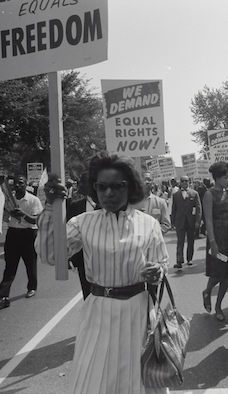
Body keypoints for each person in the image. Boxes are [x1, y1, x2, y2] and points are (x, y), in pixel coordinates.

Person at [36, 152, 169, 394]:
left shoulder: (149, 224)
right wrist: (49, 208)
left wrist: (156, 271)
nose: (109, 193)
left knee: (136, 379)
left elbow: (161, 262)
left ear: (131, 187)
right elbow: (51, 256)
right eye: (101, 186)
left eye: (117, 186)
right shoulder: (82, 223)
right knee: (93, 379)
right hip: (98, 310)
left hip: (137, 311)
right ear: (94, 188)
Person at [202, 162, 228, 322]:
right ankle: (207, 290)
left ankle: (218, 306)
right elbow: (208, 220)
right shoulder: (209, 194)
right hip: (217, 236)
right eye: (225, 177)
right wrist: (212, 242)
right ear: (216, 177)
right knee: (217, 272)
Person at [0, 175, 43, 309]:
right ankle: (3, 296)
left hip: (28, 235)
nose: (18, 186)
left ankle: (32, 287)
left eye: (21, 183)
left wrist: (22, 214)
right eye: (15, 184)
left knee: (30, 264)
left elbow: (36, 220)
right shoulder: (8, 200)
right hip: (13, 234)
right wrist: (7, 213)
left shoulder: (33, 200)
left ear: (26, 184)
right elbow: (5, 219)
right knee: (10, 267)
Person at [66, 173, 99, 299]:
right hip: (83, 259)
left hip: (106, 257)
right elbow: (68, 233)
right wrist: (68, 257)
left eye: (83, 182)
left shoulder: (108, 205)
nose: (79, 185)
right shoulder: (75, 205)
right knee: (88, 296)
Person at [171, 175, 202, 269]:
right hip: (180, 221)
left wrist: (198, 221)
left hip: (191, 221)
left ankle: (189, 259)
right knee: (180, 241)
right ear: (180, 182)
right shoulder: (176, 195)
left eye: (186, 181)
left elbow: (198, 208)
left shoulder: (194, 193)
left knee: (190, 241)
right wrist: (172, 222)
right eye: (183, 181)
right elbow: (174, 209)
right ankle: (179, 260)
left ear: (189, 182)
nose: (184, 182)